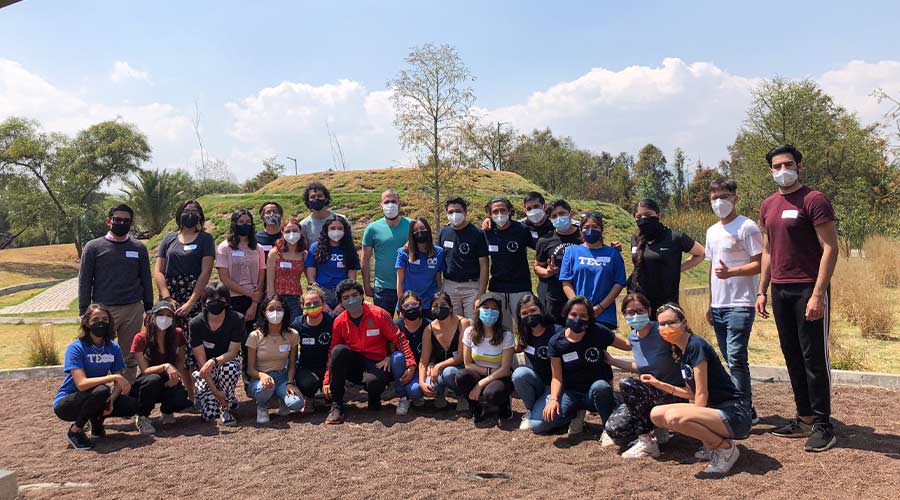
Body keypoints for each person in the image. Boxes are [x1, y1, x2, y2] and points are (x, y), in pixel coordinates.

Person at [756, 144, 839, 452]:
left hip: (808, 288)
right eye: (776, 166)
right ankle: (804, 418)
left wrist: (818, 294)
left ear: (799, 167)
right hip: (781, 289)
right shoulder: (768, 205)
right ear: (771, 171)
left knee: (813, 357)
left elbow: (831, 248)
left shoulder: (814, 200)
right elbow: (767, 251)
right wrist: (762, 290)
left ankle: (823, 425)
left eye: (787, 164)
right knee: (792, 355)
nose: (782, 170)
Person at [648, 303, 752, 475]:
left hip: (734, 414)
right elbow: (692, 393)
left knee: (675, 418)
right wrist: (659, 384)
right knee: (656, 414)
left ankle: (724, 448)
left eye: (671, 322)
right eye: (662, 324)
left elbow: (702, 394)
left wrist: (690, 418)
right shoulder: (683, 352)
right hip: (714, 411)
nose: (666, 328)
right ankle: (711, 442)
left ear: (683, 322)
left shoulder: (696, 346)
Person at [705, 178, 763, 424]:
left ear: (735, 198)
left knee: (737, 358)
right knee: (729, 358)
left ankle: (743, 410)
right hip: (719, 305)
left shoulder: (747, 227)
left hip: (741, 302)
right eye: (715, 198)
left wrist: (733, 273)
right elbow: (711, 269)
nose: (720, 202)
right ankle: (741, 404)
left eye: (724, 196)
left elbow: (760, 263)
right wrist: (710, 302)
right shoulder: (711, 231)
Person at [323, 280, 417, 424]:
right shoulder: (339, 322)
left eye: (354, 295)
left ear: (362, 296)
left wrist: (410, 363)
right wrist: (327, 379)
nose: (351, 300)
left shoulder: (379, 315)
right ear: (341, 303)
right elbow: (332, 353)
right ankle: (337, 405)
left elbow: (399, 339)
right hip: (354, 364)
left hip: (378, 363)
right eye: (346, 297)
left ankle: (374, 398)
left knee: (374, 383)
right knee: (338, 351)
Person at [78, 204, 153, 383]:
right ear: (108, 221)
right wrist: (84, 311)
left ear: (131, 222)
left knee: (130, 357)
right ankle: (99, 395)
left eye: (126, 221)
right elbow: (85, 281)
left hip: (132, 309)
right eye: (117, 220)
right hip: (104, 311)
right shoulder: (93, 247)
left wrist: (149, 308)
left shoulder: (139, 248)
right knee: (99, 354)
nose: (121, 223)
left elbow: (146, 279)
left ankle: (125, 396)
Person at [604, 293, 685, 458]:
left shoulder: (662, 331)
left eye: (639, 311)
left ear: (648, 310)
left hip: (672, 392)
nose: (635, 316)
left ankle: (646, 440)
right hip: (650, 392)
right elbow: (642, 366)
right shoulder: (633, 337)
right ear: (624, 315)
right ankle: (656, 427)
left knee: (627, 384)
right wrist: (613, 361)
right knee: (615, 429)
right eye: (630, 312)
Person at [536, 296, 626, 439]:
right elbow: (557, 377)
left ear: (590, 318)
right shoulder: (556, 342)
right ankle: (577, 415)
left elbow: (627, 345)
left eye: (583, 316)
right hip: (572, 393)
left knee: (601, 387)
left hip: (595, 391)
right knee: (547, 421)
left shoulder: (598, 332)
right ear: (566, 314)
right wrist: (553, 399)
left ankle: (608, 428)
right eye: (573, 314)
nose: (578, 319)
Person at [53, 304, 140, 450]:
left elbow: (118, 376)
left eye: (105, 319)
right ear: (87, 322)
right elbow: (81, 383)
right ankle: (75, 431)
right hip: (68, 402)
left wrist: (112, 399)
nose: (101, 322)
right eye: (96, 319)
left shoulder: (113, 347)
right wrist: (113, 379)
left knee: (130, 404)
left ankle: (97, 423)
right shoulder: (76, 347)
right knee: (101, 390)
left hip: (96, 395)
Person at [627, 199, 705, 315]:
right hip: (640, 305)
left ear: (658, 215)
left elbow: (700, 254)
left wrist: (677, 268)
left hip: (666, 305)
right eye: (639, 216)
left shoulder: (675, 237)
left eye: (648, 214)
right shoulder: (635, 238)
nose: (643, 219)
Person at [130, 301, 195, 433]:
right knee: (153, 380)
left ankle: (167, 411)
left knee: (182, 401)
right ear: (152, 316)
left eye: (169, 315)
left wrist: (176, 376)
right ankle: (142, 416)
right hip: (148, 381)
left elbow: (181, 359)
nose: (164, 318)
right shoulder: (140, 338)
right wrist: (165, 366)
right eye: (160, 314)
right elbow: (145, 370)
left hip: (169, 377)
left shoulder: (178, 334)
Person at [456, 292, 516, 425]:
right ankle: (476, 408)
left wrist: (480, 384)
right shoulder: (469, 332)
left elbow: (505, 369)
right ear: (478, 310)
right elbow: (468, 364)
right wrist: (488, 372)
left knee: (493, 393)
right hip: (483, 373)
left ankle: (504, 406)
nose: (489, 311)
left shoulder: (506, 335)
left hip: (500, 377)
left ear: (500, 313)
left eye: (494, 309)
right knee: (462, 376)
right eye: (486, 307)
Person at [560, 212, 626, 330]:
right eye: (586, 227)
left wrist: (600, 307)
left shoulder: (613, 253)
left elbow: (619, 283)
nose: (590, 230)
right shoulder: (571, 252)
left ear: (601, 229)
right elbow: (566, 282)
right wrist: (578, 306)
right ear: (581, 230)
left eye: (595, 227)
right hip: (578, 313)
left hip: (604, 314)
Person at [189, 283, 244, 426]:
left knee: (229, 369)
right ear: (204, 302)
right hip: (205, 369)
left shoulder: (237, 319)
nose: (216, 302)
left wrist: (214, 361)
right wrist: (215, 391)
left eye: (220, 298)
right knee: (209, 415)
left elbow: (232, 352)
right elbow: (202, 364)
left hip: (226, 362)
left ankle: (226, 408)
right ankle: (226, 398)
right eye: (211, 299)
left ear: (227, 300)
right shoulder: (195, 323)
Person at [154, 199, 216, 323]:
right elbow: (158, 271)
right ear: (179, 214)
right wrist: (167, 298)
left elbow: (206, 271)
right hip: (170, 293)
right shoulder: (168, 238)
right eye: (186, 211)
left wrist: (191, 302)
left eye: (194, 211)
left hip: (194, 294)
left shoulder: (206, 239)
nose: (190, 214)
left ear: (200, 216)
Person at [246, 296, 304, 424]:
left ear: (285, 311)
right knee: (265, 387)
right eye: (271, 309)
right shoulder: (254, 336)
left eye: (279, 308)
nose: (275, 312)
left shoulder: (292, 334)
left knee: (297, 403)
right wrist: (262, 376)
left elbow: (292, 364)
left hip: (282, 377)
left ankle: (283, 400)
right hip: (260, 379)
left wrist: (290, 383)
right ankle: (262, 406)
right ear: (264, 312)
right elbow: (250, 369)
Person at [483, 197, 534, 331]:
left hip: (520, 287)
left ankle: (528, 351)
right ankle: (509, 353)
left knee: (527, 326)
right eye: (495, 212)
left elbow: (540, 245)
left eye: (502, 210)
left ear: (510, 211)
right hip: (497, 288)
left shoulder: (522, 230)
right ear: (490, 214)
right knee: (502, 330)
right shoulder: (487, 232)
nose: (499, 214)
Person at [510, 294, 559, 431]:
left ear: (541, 310)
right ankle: (531, 409)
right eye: (524, 313)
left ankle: (570, 416)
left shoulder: (556, 332)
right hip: (537, 382)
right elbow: (514, 349)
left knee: (538, 425)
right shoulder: (525, 335)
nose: (529, 315)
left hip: (555, 385)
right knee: (519, 374)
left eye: (533, 311)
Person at [216, 208, 266, 335]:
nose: (245, 224)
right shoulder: (224, 248)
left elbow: (261, 274)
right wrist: (249, 293)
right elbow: (224, 278)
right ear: (234, 224)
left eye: (248, 222)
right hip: (233, 299)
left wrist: (254, 302)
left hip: (255, 300)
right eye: (241, 221)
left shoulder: (257, 248)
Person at [438, 197, 489, 319]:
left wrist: (481, 293)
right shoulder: (444, 232)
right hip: (449, 285)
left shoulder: (477, 233)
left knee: (473, 325)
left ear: (465, 212)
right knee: (452, 323)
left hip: (471, 287)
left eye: (458, 211)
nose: (454, 214)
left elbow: (484, 265)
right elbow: (437, 260)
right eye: (450, 212)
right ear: (446, 213)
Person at [362, 189, 411, 315]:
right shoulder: (372, 229)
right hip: (383, 288)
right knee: (383, 326)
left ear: (400, 204)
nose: (390, 205)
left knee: (409, 325)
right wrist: (366, 285)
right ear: (381, 206)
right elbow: (365, 258)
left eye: (394, 201)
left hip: (409, 285)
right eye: (387, 202)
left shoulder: (412, 225)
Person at [534, 199, 582, 324]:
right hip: (555, 297)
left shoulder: (583, 236)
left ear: (570, 213)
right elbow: (537, 266)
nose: (558, 218)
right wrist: (547, 272)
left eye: (562, 213)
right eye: (554, 216)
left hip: (581, 293)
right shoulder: (545, 240)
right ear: (550, 219)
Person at [418, 292, 468, 410]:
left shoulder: (463, 323)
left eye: (443, 304)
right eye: (435, 305)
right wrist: (421, 382)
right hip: (439, 368)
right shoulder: (429, 329)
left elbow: (461, 356)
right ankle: (439, 394)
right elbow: (423, 360)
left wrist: (438, 366)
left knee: (449, 372)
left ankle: (461, 395)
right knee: (430, 383)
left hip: (459, 366)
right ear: (430, 309)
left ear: (450, 308)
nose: (439, 308)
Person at [291, 285, 335, 413]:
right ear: (302, 307)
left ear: (323, 303)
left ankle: (330, 398)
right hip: (306, 367)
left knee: (335, 385)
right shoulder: (298, 324)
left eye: (316, 303)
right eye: (308, 304)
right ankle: (309, 397)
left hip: (328, 366)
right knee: (308, 384)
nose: (312, 306)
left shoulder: (332, 320)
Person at [305, 216, 360, 309]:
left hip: (343, 292)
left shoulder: (350, 248)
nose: (336, 231)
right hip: (322, 291)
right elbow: (311, 278)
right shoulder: (315, 247)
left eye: (340, 228)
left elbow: (352, 278)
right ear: (326, 230)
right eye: (332, 228)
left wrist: (343, 303)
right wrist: (321, 301)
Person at [396, 216, 444, 312]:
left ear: (428, 229)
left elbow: (438, 280)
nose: (419, 232)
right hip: (409, 304)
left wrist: (439, 301)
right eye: (416, 230)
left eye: (422, 228)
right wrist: (401, 305)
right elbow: (400, 282)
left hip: (430, 304)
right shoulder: (404, 252)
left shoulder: (438, 252)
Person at [266, 217, 309, 320]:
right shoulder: (275, 253)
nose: (291, 234)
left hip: (296, 298)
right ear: (282, 232)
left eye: (295, 231)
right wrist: (271, 300)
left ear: (300, 231)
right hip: (278, 297)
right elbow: (270, 281)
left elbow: (309, 279)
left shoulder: (304, 254)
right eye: (288, 231)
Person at [392, 292, 426, 415]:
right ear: (401, 310)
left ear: (421, 306)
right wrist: (387, 357)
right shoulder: (396, 325)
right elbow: (390, 347)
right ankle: (403, 397)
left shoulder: (428, 326)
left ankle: (415, 394)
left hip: (422, 367)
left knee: (415, 391)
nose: (411, 308)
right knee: (396, 357)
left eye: (414, 304)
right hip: (402, 366)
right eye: (406, 306)